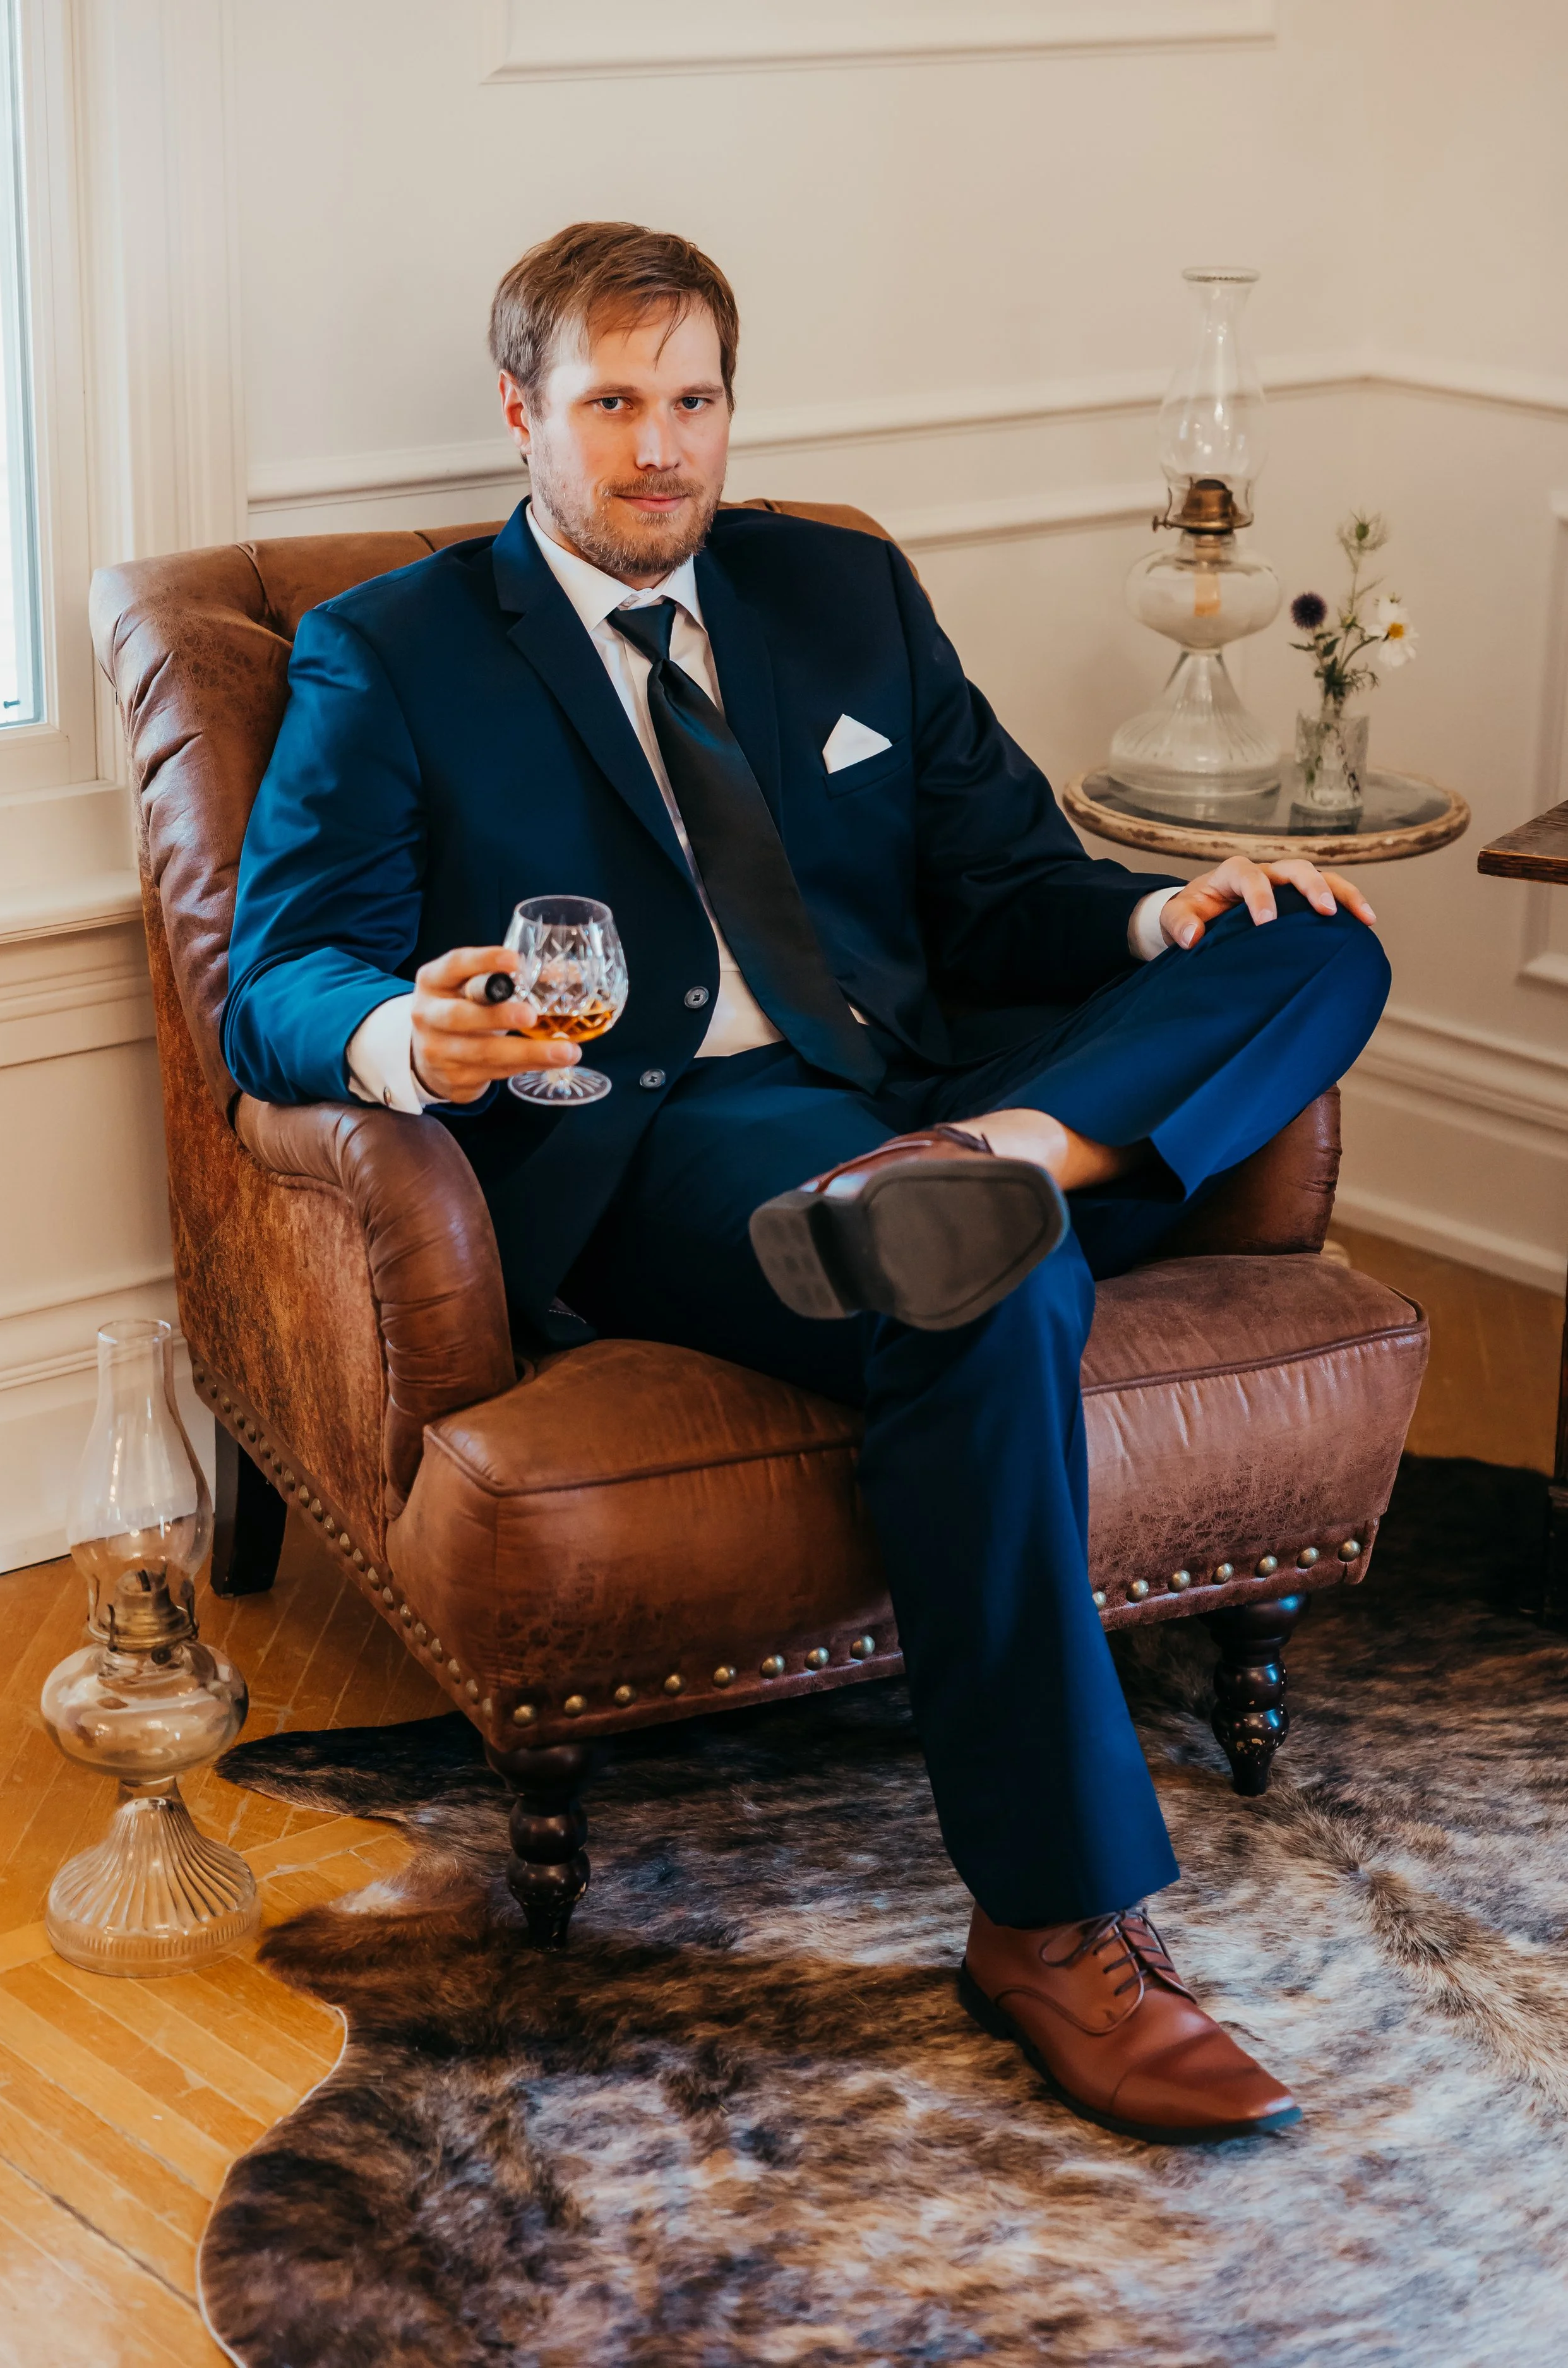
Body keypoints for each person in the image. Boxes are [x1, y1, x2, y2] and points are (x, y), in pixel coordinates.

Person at [224, 220, 1389, 2145]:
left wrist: (1159, 911)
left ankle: (1012, 1157)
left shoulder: (836, 593)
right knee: (989, 1278)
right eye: (612, 404)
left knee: (1314, 944)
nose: (660, 449)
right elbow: (272, 974)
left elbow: (1008, 888)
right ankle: (1053, 1921)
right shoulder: (398, 653)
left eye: (693, 401)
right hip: (676, 1140)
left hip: (934, 1097)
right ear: (522, 415)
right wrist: (406, 1043)